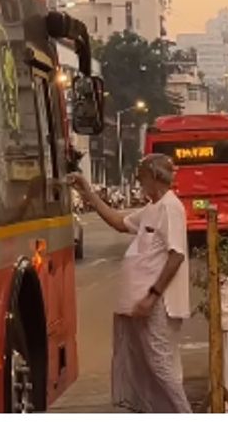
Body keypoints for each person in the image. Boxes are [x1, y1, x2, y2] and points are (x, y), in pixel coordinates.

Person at [67, 153, 192, 413]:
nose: (138, 182)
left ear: (155, 177)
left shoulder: (170, 207)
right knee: (141, 363)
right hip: (142, 303)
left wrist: (152, 295)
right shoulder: (152, 208)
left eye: (142, 176)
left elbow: (176, 255)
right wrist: (88, 192)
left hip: (159, 303)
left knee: (160, 365)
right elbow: (119, 222)